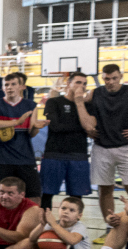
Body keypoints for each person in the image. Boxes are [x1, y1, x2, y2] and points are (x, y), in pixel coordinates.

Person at [83, 63, 128, 231]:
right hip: (101, 147)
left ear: (121, 76)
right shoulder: (94, 93)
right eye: (106, 79)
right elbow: (82, 110)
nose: (110, 82)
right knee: (104, 189)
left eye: (114, 78)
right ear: (102, 78)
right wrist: (87, 129)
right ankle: (109, 227)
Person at [0, 72, 43, 200]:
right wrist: (16, 122)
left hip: (25, 158)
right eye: (6, 85)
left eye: (13, 84)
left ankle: (30, 214)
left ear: (21, 86)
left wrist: (36, 127)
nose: (9, 87)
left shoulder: (31, 106)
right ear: (3, 88)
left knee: (33, 196)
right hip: (1, 159)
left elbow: (31, 133)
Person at [40, 72, 93, 209]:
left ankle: (73, 222)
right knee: (46, 194)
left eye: (84, 83)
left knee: (76, 197)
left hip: (78, 155)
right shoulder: (54, 102)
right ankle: (44, 221)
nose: (82, 86)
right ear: (68, 83)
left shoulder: (88, 106)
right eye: (78, 82)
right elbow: (55, 126)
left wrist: (80, 102)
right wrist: (81, 126)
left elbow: (91, 127)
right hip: (54, 154)